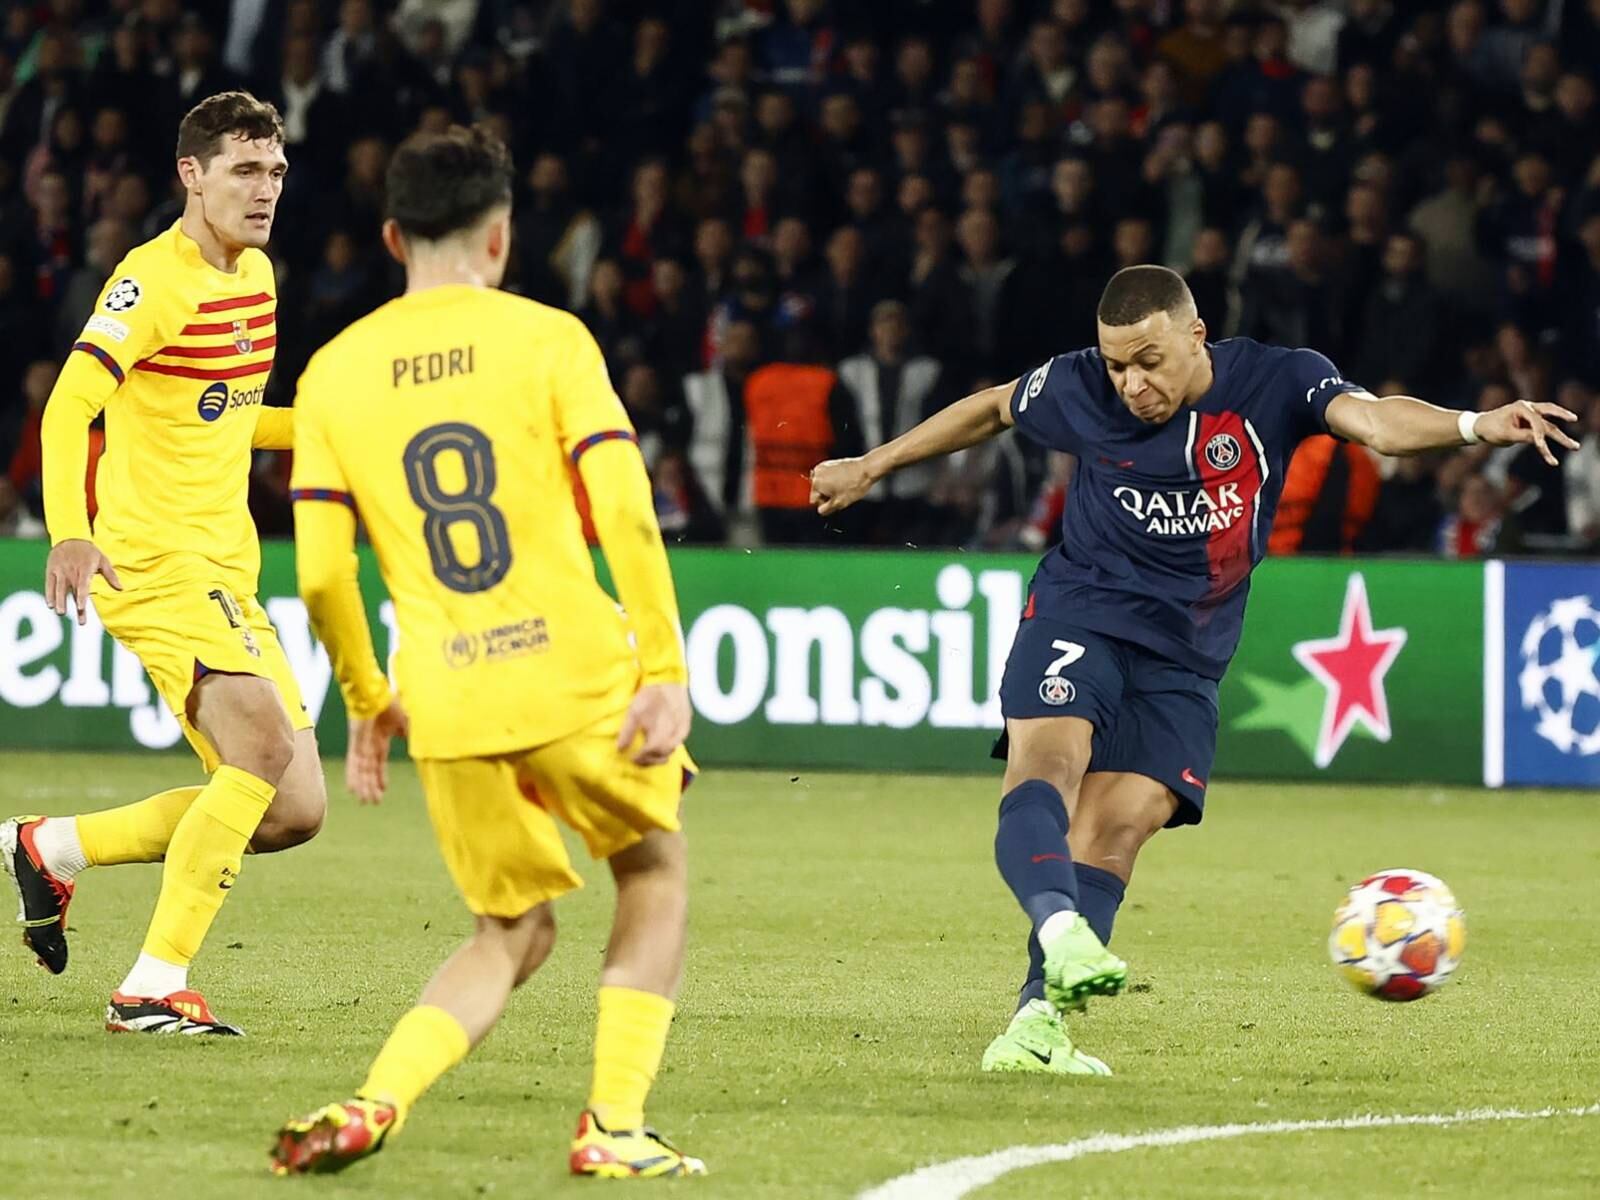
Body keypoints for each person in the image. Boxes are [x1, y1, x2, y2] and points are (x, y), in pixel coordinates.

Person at [809, 265, 1576, 1074]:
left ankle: (1035, 1027)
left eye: (1148, 360)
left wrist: (1472, 424)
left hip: (1186, 653)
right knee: (1050, 764)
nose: (1132, 384)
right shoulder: (1079, 388)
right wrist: (873, 465)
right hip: (1083, 613)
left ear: (1195, 335)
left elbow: (1376, 422)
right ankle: (1058, 925)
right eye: (1116, 365)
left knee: (1120, 827)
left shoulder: (1278, 380)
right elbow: (995, 407)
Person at [271, 126, 702, 1179]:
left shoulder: (333, 373)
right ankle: (613, 1124)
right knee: (652, 873)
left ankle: (377, 1099)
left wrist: (371, 699)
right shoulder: (549, 340)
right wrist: (664, 669)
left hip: (448, 697)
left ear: (389, 236)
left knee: (511, 929)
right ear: (501, 237)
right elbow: (624, 508)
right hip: (570, 673)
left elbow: (323, 575)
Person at [1, 92, 327, 1037]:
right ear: (192, 174)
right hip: (152, 559)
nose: (265, 190)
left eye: (274, 172)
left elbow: (229, 417)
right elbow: (68, 409)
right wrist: (69, 527)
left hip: (228, 569)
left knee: (291, 806)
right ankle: (151, 985)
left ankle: (51, 845)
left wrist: (337, 432)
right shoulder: (151, 283)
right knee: (261, 751)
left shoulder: (258, 276)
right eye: (244, 171)